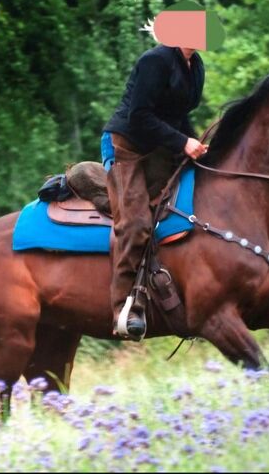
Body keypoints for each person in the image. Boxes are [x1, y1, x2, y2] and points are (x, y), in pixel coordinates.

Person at [101, 43, 208, 340]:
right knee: (136, 224)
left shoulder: (196, 66)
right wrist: (182, 142)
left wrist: (196, 145)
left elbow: (179, 117)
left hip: (161, 148)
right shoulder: (155, 60)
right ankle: (124, 308)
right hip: (127, 146)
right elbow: (139, 116)